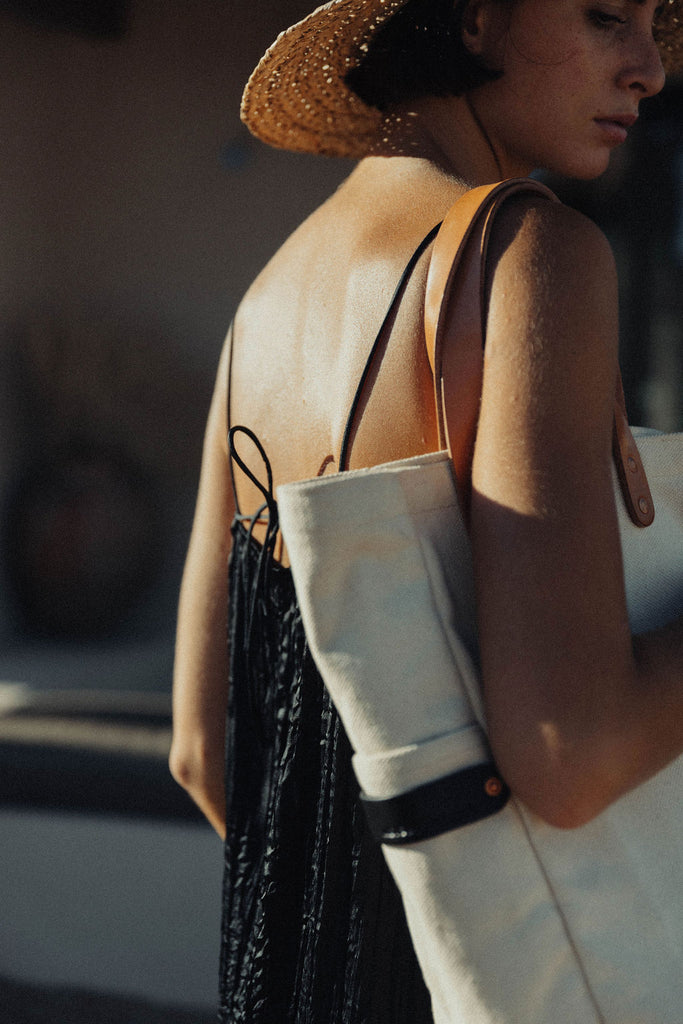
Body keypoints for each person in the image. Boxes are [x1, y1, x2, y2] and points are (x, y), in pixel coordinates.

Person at [170, 1, 683, 1021]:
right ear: (476, 20)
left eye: (656, 24)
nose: (648, 70)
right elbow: (567, 754)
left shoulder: (261, 308)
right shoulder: (528, 254)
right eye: (601, 16)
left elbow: (200, 748)